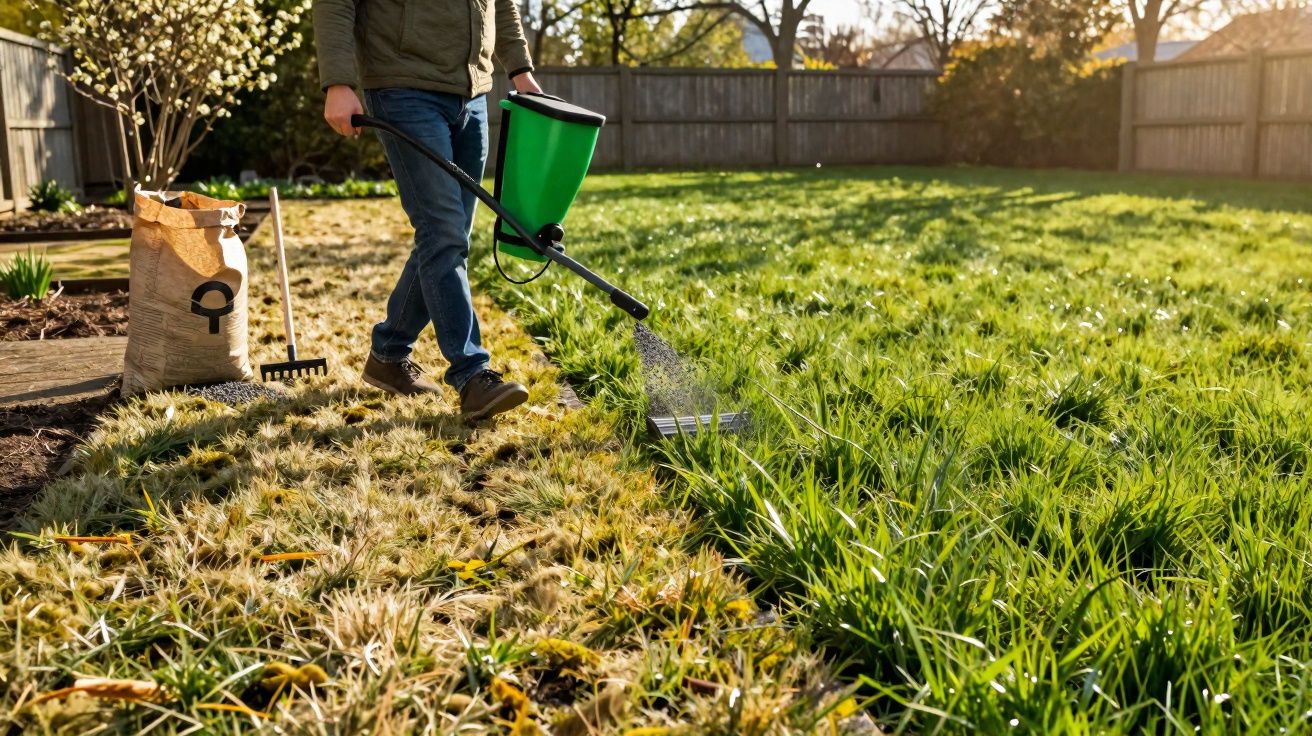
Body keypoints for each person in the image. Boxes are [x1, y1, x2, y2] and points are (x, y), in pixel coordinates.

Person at [314, 0, 542, 420]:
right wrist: (338, 82)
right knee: (443, 233)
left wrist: (519, 69)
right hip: (404, 88)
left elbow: (502, 5)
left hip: (471, 95)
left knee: (448, 237)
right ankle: (472, 375)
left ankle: (388, 354)